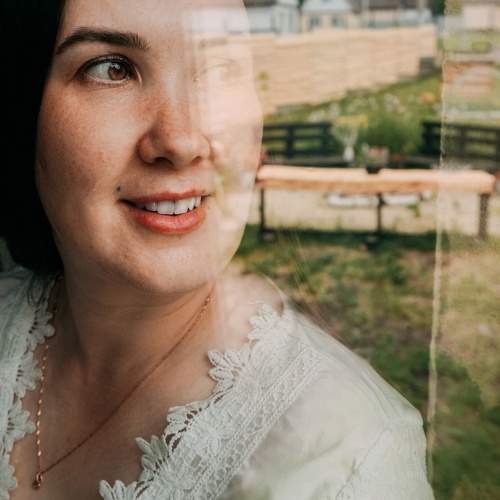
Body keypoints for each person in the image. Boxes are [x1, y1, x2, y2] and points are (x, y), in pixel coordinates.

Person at [0, 1, 435, 499]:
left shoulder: (350, 463)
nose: (181, 141)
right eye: (112, 69)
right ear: (22, 107)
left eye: (218, 67)